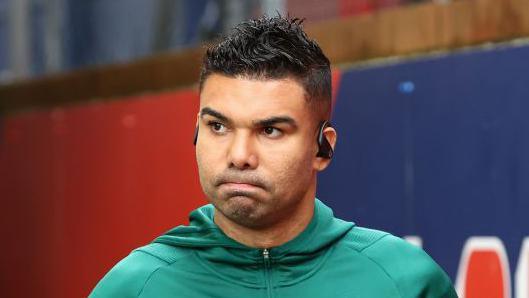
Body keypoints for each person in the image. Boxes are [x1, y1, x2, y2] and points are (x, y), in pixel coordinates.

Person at [90, 15, 457, 298]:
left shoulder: (402, 282)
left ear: (322, 147)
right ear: (196, 131)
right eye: (218, 126)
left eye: (270, 131)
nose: (239, 155)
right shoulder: (136, 287)